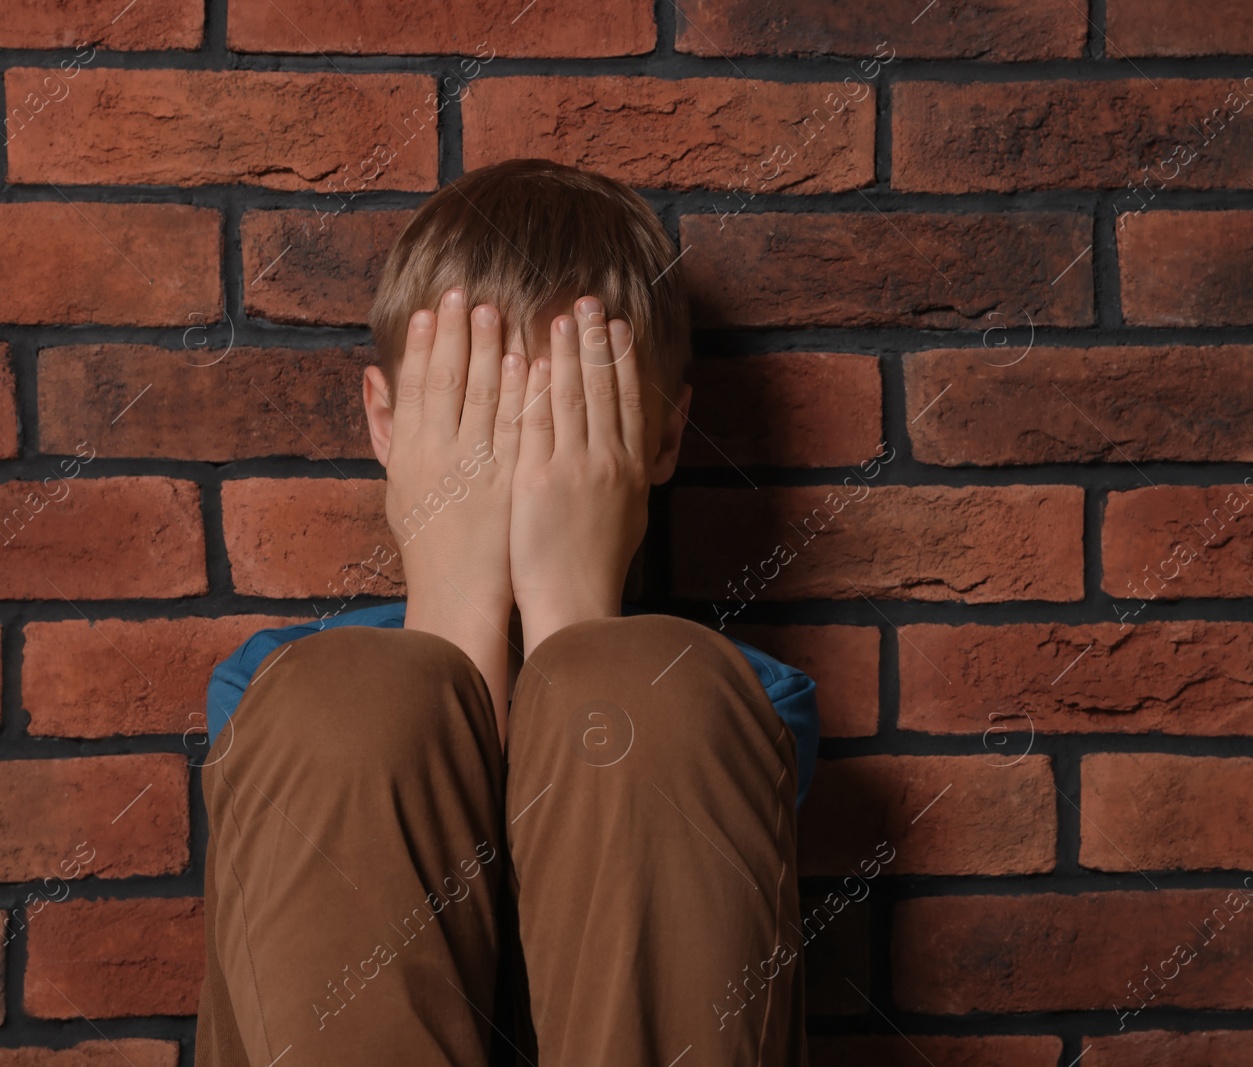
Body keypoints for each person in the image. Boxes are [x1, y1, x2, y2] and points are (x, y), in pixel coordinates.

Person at [193, 158, 819, 1067]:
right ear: (387, 424)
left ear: (663, 437)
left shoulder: (746, 706)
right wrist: (454, 608)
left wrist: (572, 611)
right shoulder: (270, 690)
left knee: (648, 698)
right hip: (330, 716)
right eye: (472, 412)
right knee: (341, 708)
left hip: (667, 710)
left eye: (565, 413)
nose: (517, 461)